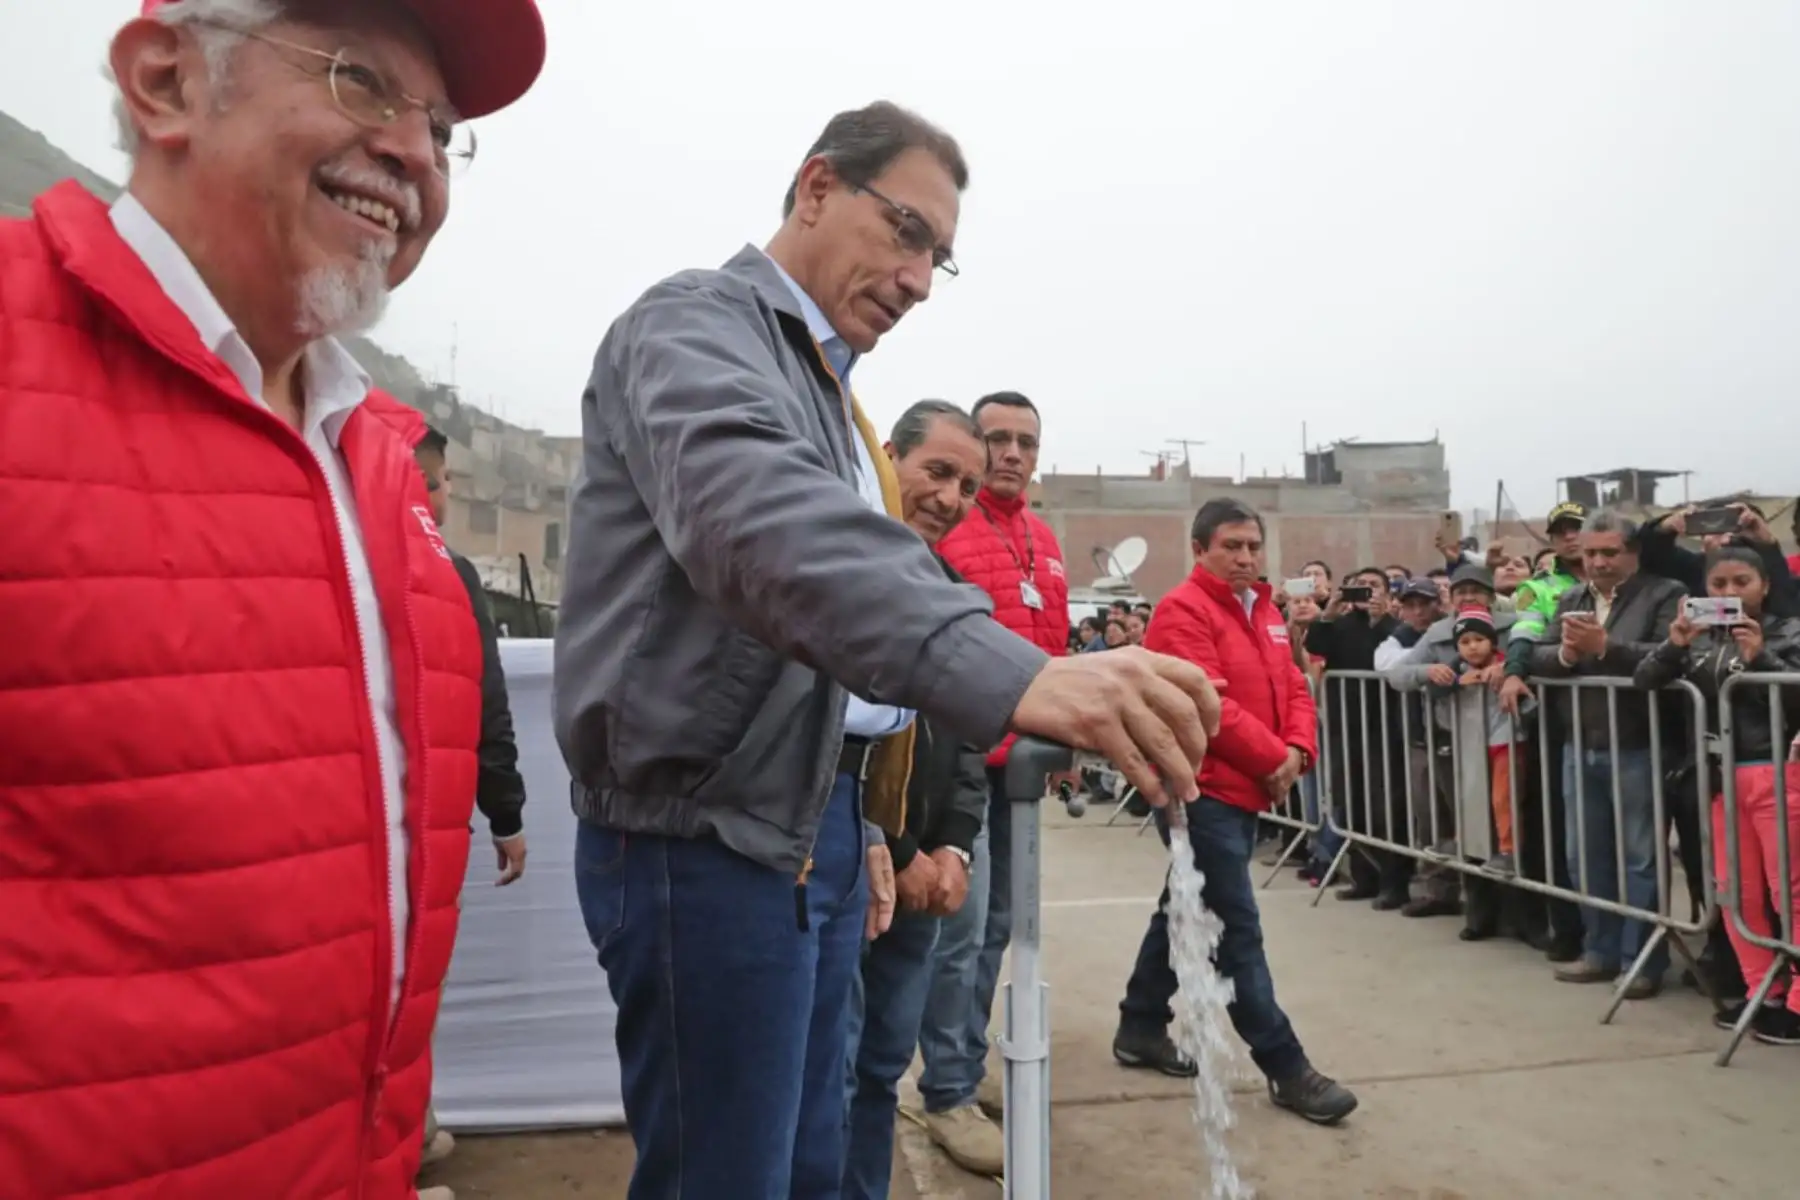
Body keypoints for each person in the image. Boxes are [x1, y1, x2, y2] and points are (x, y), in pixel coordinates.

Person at [551, 101, 1221, 1199]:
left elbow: (821, 645)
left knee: (817, 1155)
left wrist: (858, 814)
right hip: (701, 835)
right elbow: (769, 537)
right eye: (907, 232)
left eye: (938, 258)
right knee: (729, 1174)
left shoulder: (827, 393)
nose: (918, 280)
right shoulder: (693, 327)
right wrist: (1020, 671)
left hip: (806, 826)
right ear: (817, 186)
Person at [0, 2, 545, 1196]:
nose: (414, 153)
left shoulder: (380, 464)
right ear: (166, 82)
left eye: (441, 127)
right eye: (361, 82)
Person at [1111, 499, 1357, 1125]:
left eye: (1253, 546)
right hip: (1203, 793)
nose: (1245, 558)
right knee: (1234, 928)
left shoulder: (1267, 610)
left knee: (1185, 906)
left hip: (1247, 788)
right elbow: (1207, 704)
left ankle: (1140, 1024)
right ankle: (1286, 1065)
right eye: (1231, 546)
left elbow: (1296, 684)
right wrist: (1275, 758)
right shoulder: (1182, 611)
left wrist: (1298, 750)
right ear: (1200, 550)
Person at [917, 390, 1068, 1175]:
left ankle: (966, 1062)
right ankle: (945, 1089)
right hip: (965, 766)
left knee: (1000, 926)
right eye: (998, 439)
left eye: (1026, 442)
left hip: (1026, 772)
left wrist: (1061, 743)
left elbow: (1052, 649)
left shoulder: (1045, 539)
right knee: (961, 931)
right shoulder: (947, 527)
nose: (1012, 453)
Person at [843, 401, 990, 1200]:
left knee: (880, 1067)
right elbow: (836, 737)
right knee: (828, 1068)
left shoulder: (955, 597)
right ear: (889, 459)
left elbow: (966, 741)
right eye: (936, 471)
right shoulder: (837, 576)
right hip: (851, 865)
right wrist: (892, 847)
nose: (949, 497)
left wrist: (953, 847)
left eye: (967, 486)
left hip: (925, 878)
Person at [1634, 547, 1800, 1045]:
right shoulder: (1699, 637)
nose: (1730, 593)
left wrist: (1760, 657)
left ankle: (1799, 1002)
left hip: (1779, 774)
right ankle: (1762, 990)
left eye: (1741, 582)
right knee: (1735, 892)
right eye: (1719, 584)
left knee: (1790, 892)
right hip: (1717, 778)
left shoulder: (1789, 631)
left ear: (1764, 585)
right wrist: (1674, 644)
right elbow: (1645, 679)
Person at [1531, 511, 1685, 998]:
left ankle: (1642, 961)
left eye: (1608, 552)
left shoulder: (1665, 594)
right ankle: (1600, 949)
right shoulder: (1572, 598)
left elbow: (1669, 656)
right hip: (1579, 743)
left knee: (1640, 858)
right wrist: (1566, 656)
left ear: (1632, 552)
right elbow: (1538, 654)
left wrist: (1606, 647)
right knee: (1585, 856)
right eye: (1591, 553)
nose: (1597, 562)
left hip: (1639, 743)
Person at [1307, 568, 1409, 906]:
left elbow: (1394, 656)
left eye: (1374, 586)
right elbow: (1314, 645)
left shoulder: (1395, 627)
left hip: (1384, 728)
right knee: (1351, 802)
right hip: (1345, 726)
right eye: (1359, 586)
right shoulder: (1341, 623)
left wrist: (1381, 620)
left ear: (1388, 593)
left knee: (1387, 807)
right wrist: (1328, 613)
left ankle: (1394, 883)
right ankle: (1363, 877)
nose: (1366, 592)